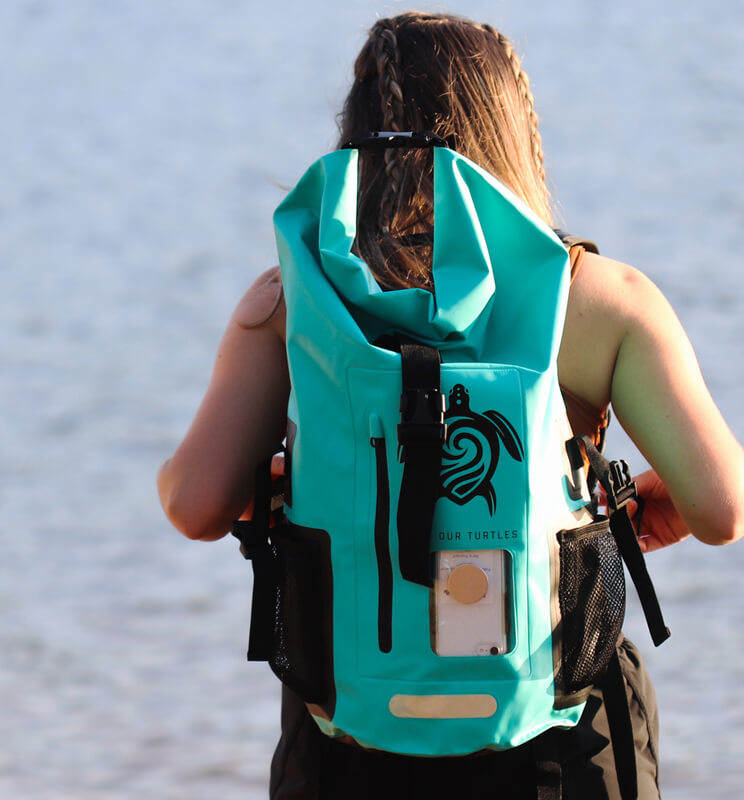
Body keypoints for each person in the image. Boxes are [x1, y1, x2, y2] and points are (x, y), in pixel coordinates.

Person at [157, 11, 743, 800]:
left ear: (355, 137)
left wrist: (280, 483)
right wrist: (633, 495)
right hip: (557, 731)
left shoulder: (290, 304)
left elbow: (197, 504)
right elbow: (721, 507)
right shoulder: (601, 300)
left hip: (353, 734)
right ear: (514, 131)